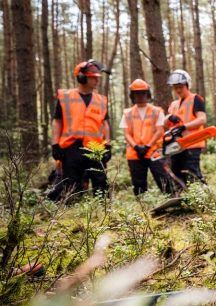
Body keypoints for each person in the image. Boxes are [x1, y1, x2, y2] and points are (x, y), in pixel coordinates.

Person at [49, 60, 112, 201]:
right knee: (71, 181)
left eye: (98, 78)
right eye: (93, 77)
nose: (97, 81)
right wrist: (55, 145)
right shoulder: (65, 97)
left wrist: (108, 145)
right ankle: (72, 209)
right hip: (71, 146)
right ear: (82, 77)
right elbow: (57, 121)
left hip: (96, 147)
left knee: (100, 180)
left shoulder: (101, 100)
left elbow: (105, 124)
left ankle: (103, 209)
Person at [121, 79, 172, 195]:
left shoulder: (156, 111)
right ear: (132, 95)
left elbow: (159, 131)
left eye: (143, 92)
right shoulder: (127, 113)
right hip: (134, 153)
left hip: (154, 151)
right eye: (137, 93)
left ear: (147, 93)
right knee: (138, 183)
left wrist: (147, 146)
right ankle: (143, 205)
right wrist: (137, 147)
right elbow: (126, 133)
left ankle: (170, 198)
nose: (140, 95)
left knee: (163, 177)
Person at [164, 70, 207, 186]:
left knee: (193, 176)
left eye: (181, 87)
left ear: (187, 85)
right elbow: (165, 124)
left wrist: (183, 127)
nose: (178, 90)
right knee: (177, 178)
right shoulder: (173, 104)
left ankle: (202, 200)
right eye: (175, 87)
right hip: (176, 146)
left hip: (192, 144)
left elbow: (202, 119)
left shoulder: (195, 99)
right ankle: (182, 201)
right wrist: (169, 117)